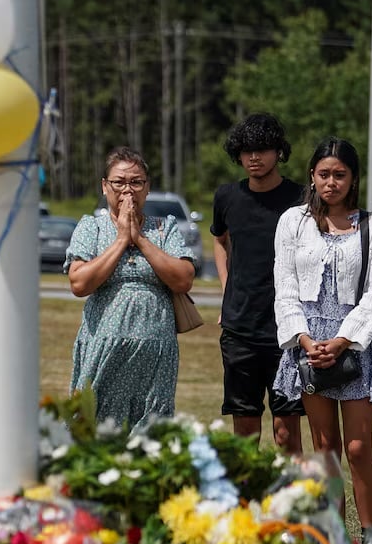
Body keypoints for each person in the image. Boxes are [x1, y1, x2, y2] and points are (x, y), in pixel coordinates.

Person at [272, 138, 372, 537]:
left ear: (353, 179)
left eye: (340, 174)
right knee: (326, 450)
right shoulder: (293, 221)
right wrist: (306, 341)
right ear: (312, 176)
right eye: (324, 174)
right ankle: (334, 539)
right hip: (308, 345)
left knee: (358, 449)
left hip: (353, 344)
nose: (331, 182)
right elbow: (285, 285)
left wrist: (342, 341)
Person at [64, 146, 198, 431]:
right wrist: (122, 239)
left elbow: (183, 278)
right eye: (119, 182)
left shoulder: (164, 228)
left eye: (136, 182)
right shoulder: (92, 227)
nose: (128, 190)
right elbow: (79, 283)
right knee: (93, 422)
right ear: (104, 186)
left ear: (147, 188)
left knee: (149, 429)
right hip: (103, 346)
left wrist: (140, 238)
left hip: (155, 349)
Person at [211, 113, 304, 452]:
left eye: (262, 149)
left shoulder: (301, 198)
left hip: (287, 330)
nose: (253, 157)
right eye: (246, 150)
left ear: (279, 152)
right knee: (245, 430)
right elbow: (219, 240)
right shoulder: (226, 197)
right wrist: (226, 291)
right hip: (240, 330)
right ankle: (245, 503)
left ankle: (294, 504)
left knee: (285, 433)